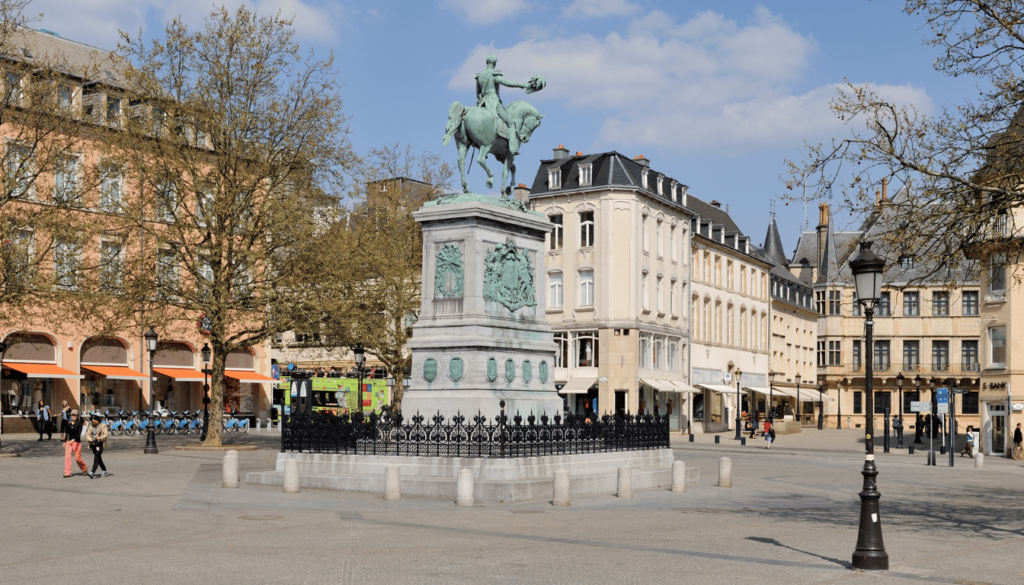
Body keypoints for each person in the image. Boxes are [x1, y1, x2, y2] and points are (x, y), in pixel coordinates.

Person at [61, 409, 88, 478]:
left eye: (75, 415)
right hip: (69, 442)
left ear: (77, 416)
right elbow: (66, 433)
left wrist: (74, 439)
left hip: (77, 442)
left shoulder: (79, 424)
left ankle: (84, 468)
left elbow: (79, 434)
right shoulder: (68, 423)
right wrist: (64, 441)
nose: (73, 416)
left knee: (77, 458)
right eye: (72, 415)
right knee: (67, 457)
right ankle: (67, 472)